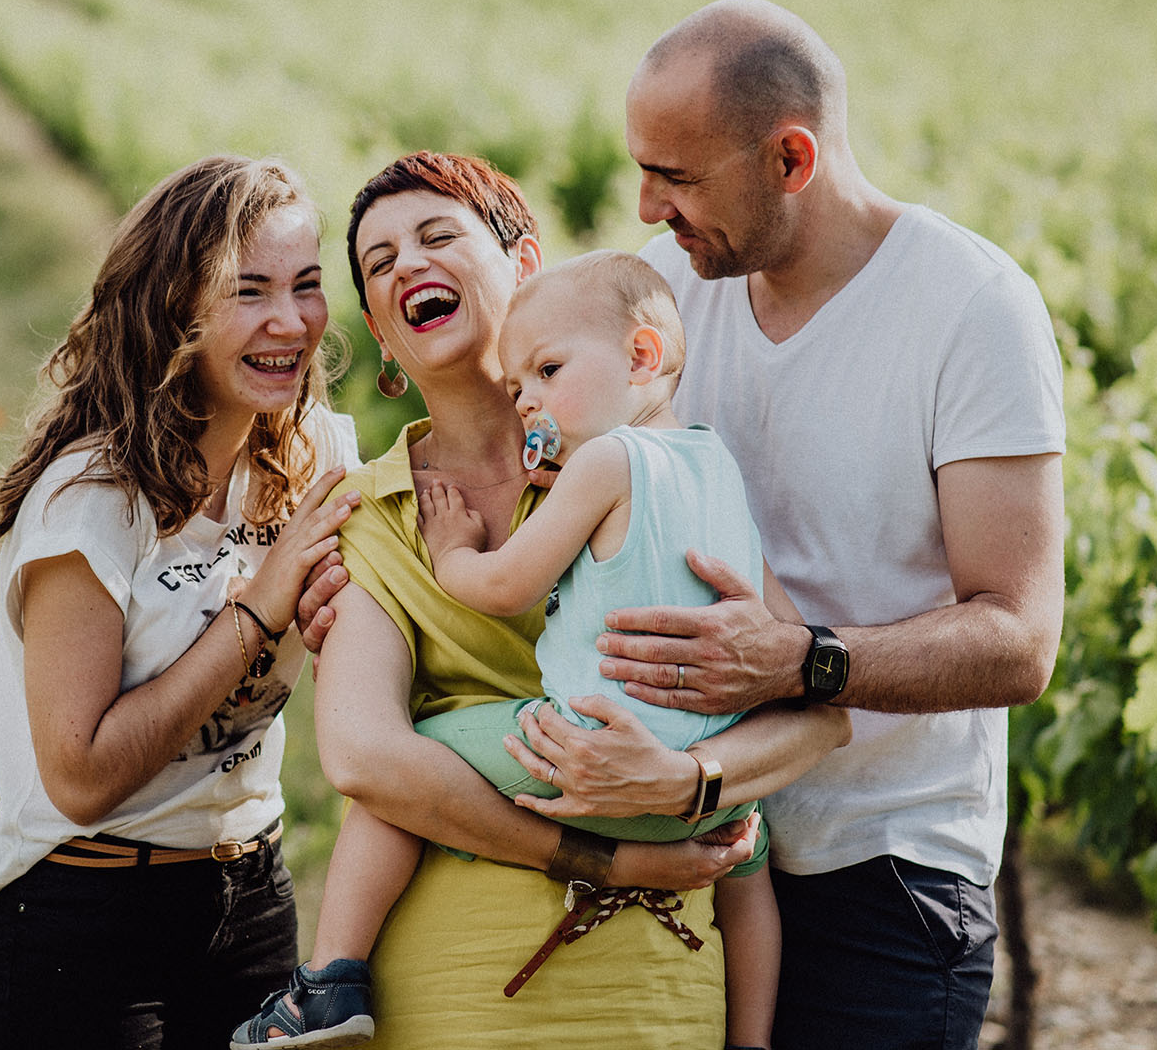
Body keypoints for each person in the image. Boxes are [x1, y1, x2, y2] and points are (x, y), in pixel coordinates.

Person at [277, 152, 850, 1050]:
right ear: (383, 337)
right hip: (458, 994)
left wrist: (685, 777)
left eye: (437, 236)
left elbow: (818, 716)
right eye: (380, 264)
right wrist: (623, 855)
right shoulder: (380, 516)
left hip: (661, 991)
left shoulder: (632, 464)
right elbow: (366, 760)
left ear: (526, 265)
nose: (409, 267)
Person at [608, 0, 1067, 1050]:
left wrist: (798, 660)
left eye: (676, 176)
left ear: (790, 157)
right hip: (696, 851)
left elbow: (1016, 634)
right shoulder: (665, 296)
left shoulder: (969, 309)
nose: (645, 205)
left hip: (886, 877)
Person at [0, 155, 364, 1050]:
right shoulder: (93, 499)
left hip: (253, 900)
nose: (290, 322)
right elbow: (79, 775)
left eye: (306, 286)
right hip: (87, 921)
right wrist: (259, 611)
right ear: (173, 305)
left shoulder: (320, 453)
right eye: (249, 291)